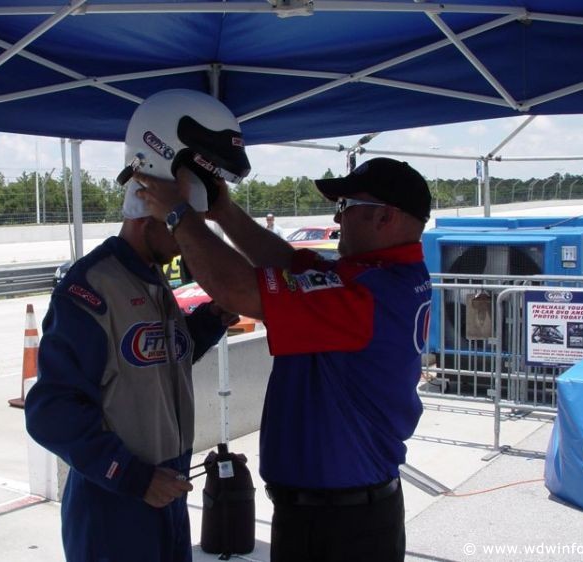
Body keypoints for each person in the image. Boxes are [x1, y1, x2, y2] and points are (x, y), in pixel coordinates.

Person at [136, 157, 433, 562]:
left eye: (345, 207)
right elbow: (288, 262)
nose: (337, 217)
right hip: (340, 513)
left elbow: (237, 290)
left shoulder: (366, 296)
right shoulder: (379, 277)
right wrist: (224, 210)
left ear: (385, 217)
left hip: (338, 528)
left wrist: (179, 214)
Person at [25, 88, 251, 562]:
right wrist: (131, 476)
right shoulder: (90, 287)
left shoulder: (154, 280)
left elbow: (160, 353)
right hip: (115, 502)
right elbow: (50, 409)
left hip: (165, 489)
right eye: (183, 222)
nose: (192, 237)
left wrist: (210, 318)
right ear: (150, 206)